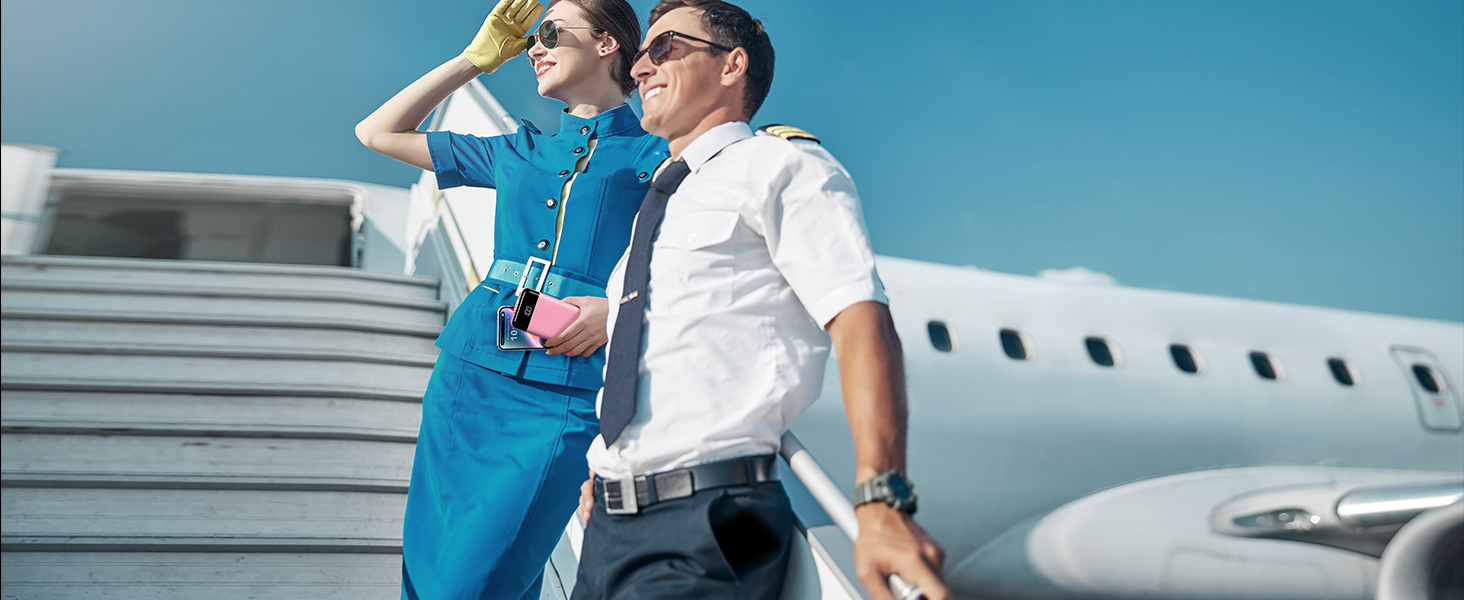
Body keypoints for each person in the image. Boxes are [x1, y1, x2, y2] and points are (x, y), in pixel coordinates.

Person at [569, 1, 949, 599]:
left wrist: (882, 501)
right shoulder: (660, 210)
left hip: (714, 519)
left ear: (731, 65)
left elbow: (860, 322)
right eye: (641, 53)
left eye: (664, 47)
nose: (640, 67)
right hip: (609, 522)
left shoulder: (781, 166)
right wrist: (609, 465)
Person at [354, 0, 668, 598]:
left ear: (607, 45)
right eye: (529, 38)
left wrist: (623, 305)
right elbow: (378, 132)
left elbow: (707, 246)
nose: (533, 47)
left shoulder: (657, 154)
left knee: (480, 579)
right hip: (467, 379)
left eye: (550, 32)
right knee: (429, 575)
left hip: (569, 390)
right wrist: (476, 59)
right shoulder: (517, 150)